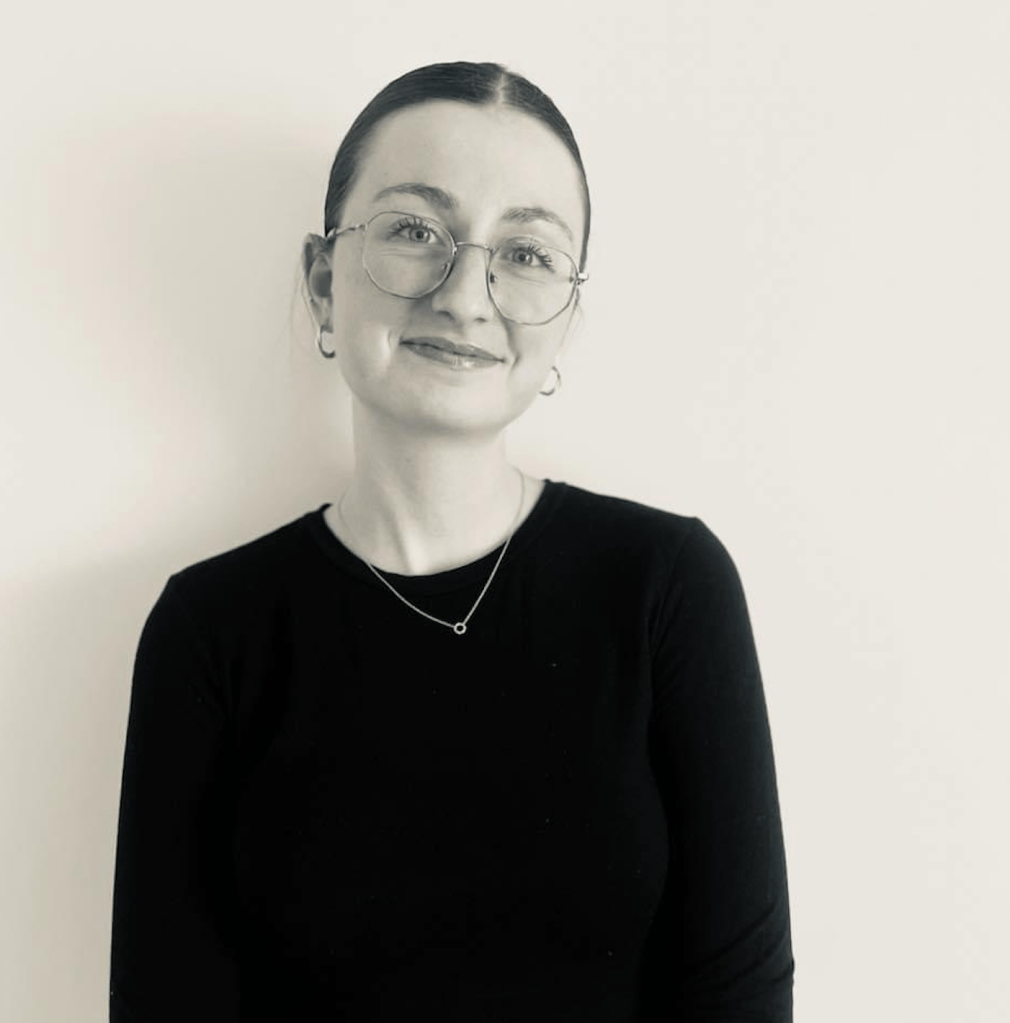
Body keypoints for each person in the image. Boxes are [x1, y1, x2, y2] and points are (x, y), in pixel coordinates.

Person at [110, 61, 794, 1022]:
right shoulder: (212, 629)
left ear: (566, 317)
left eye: (527, 252)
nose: (467, 295)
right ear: (322, 280)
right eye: (414, 231)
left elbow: (738, 998)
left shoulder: (665, 588)